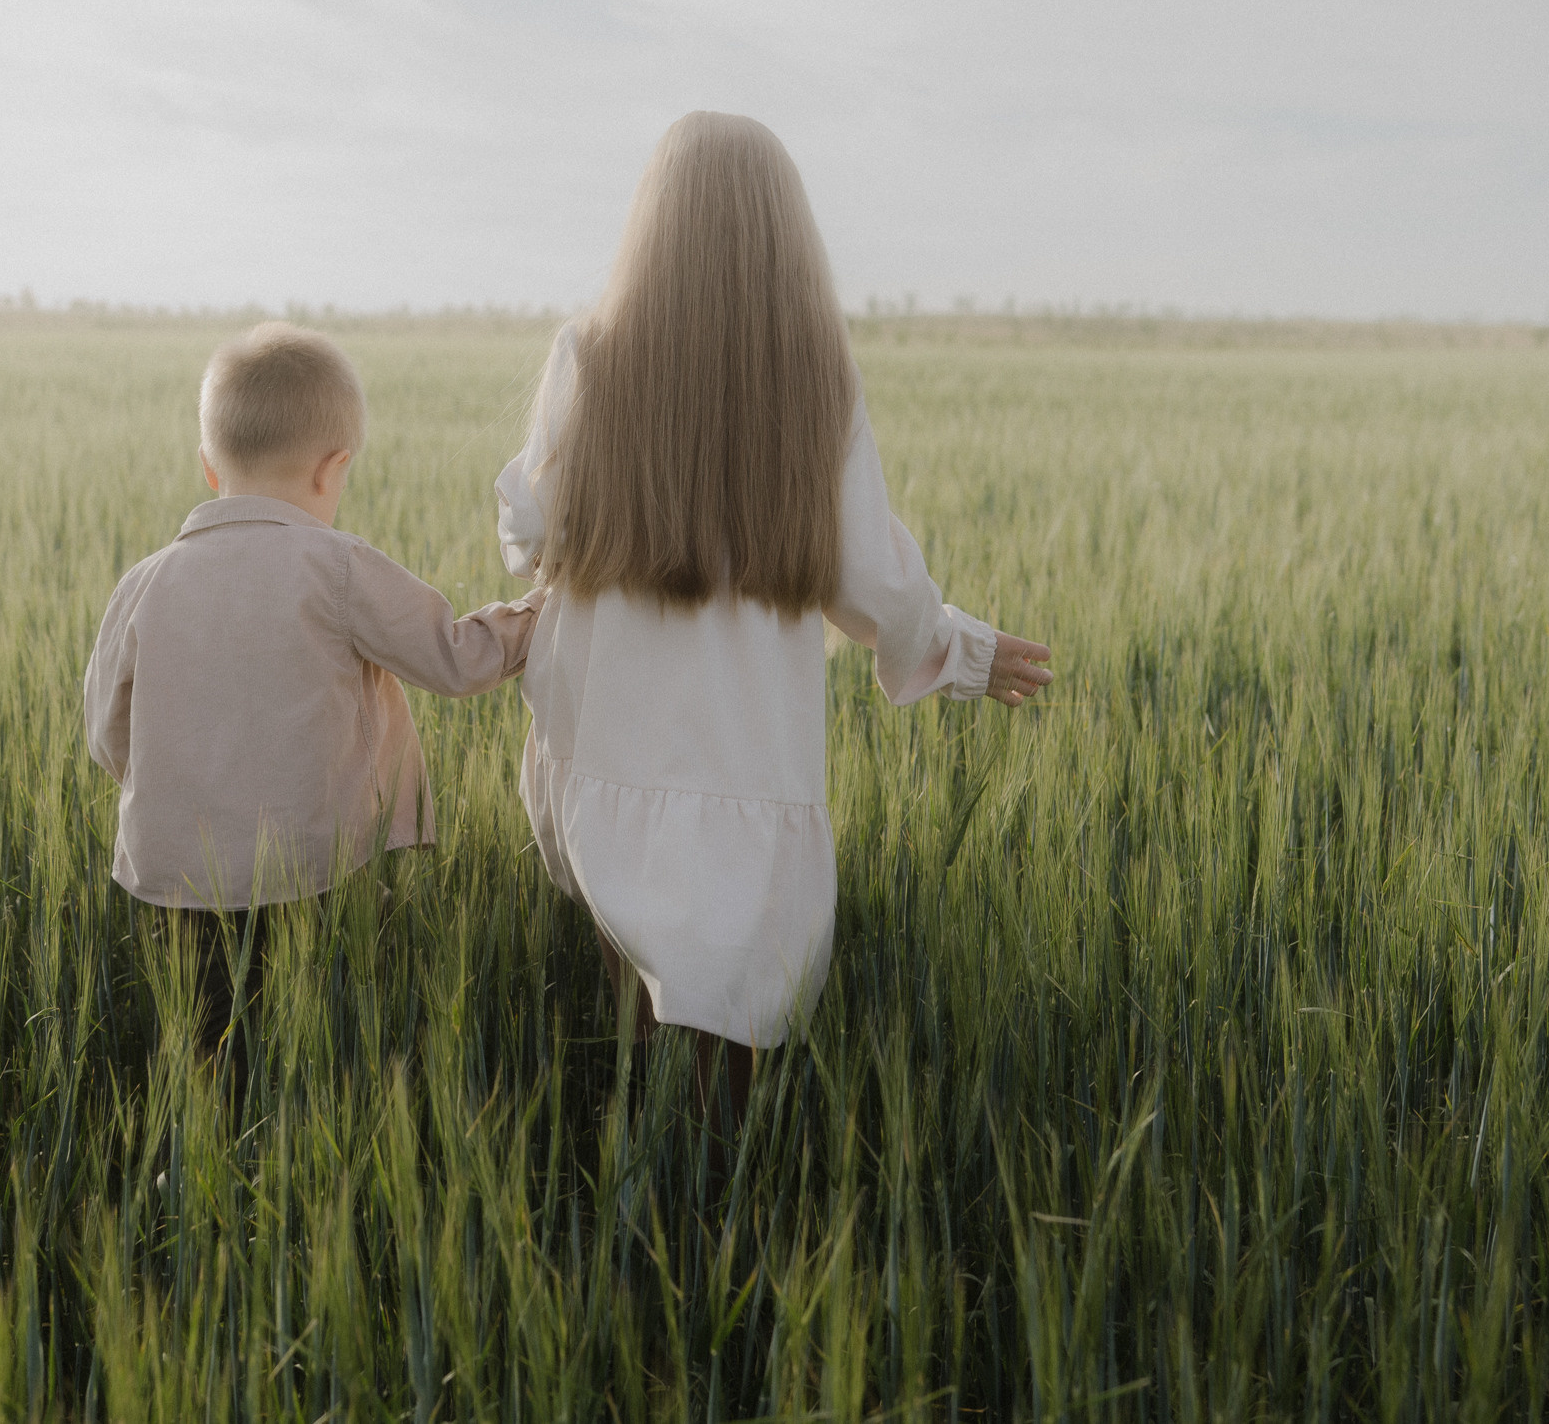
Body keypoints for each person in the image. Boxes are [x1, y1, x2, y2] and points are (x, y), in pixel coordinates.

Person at [495, 112, 1052, 1101]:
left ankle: (637, 1193)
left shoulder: (590, 355)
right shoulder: (816, 386)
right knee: (731, 1027)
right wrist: (961, 650)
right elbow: (868, 580)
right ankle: (720, 1207)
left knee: (635, 989)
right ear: (784, 235)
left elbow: (534, 526)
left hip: (609, 747)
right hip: (745, 757)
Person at [87, 321, 544, 1058]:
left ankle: (200, 1162)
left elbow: (107, 729)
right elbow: (455, 661)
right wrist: (545, 609)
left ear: (209, 465)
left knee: (204, 1053)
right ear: (333, 469)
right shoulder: (337, 568)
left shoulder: (143, 584)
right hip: (311, 875)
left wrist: (181, 792)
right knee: (310, 1049)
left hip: (171, 881)